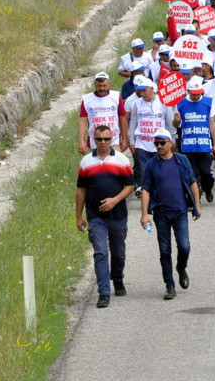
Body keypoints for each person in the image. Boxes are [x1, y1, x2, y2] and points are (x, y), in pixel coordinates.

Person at [76, 125, 135, 308]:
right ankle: (103, 292)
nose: (103, 143)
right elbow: (81, 190)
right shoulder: (86, 162)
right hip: (95, 216)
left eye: (106, 139)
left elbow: (130, 185)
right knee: (100, 252)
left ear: (112, 139)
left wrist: (114, 201)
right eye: (99, 139)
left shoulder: (122, 160)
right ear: (94, 140)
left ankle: (117, 279)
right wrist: (78, 216)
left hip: (117, 215)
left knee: (118, 253)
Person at [140, 129, 201, 300]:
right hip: (161, 214)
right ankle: (169, 286)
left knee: (184, 246)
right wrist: (145, 214)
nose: (159, 146)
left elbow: (192, 182)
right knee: (164, 250)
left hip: (180, 212)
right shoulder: (152, 165)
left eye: (162, 143)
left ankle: (181, 268)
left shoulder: (182, 160)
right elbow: (145, 190)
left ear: (170, 143)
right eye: (156, 143)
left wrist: (197, 205)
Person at [175, 77, 215, 203]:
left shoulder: (208, 102)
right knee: (190, 175)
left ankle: (208, 189)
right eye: (193, 94)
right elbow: (176, 125)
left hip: (204, 145)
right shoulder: (181, 103)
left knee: (206, 174)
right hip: (188, 146)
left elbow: (211, 122)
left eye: (198, 94)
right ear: (188, 91)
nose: (195, 97)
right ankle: (193, 200)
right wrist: (176, 120)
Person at [128, 78, 173, 197]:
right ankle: (148, 193)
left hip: (159, 143)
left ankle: (161, 192)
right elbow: (133, 123)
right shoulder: (136, 104)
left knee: (161, 169)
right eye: (140, 91)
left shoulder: (163, 102)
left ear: (152, 89)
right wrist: (131, 142)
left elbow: (169, 122)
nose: (142, 93)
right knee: (145, 169)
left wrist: (172, 139)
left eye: (144, 90)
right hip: (142, 143)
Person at [79, 72, 128, 154]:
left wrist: (125, 139)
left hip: (113, 141)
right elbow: (82, 121)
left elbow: (123, 118)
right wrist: (81, 141)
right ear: (95, 85)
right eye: (99, 86)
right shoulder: (87, 99)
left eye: (104, 86)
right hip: (95, 142)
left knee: (115, 165)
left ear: (109, 84)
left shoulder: (115, 97)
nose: (102, 88)